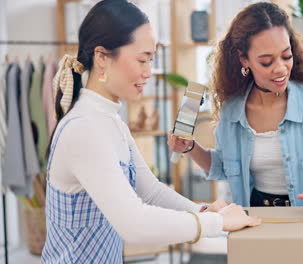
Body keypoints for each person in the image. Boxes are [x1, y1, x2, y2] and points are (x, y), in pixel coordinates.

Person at [41, 1, 260, 263]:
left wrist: (202, 209)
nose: (148, 72)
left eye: (151, 61)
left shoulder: (110, 122)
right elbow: (134, 223)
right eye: (142, 59)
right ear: (102, 57)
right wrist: (215, 223)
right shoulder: (84, 129)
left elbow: (151, 192)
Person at [168, 2, 303, 207]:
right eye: (267, 61)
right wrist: (190, 147)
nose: (281, 69)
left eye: (286, 56)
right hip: (254, 218)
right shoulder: (232, 110)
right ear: (244, 59)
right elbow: (223, 167)